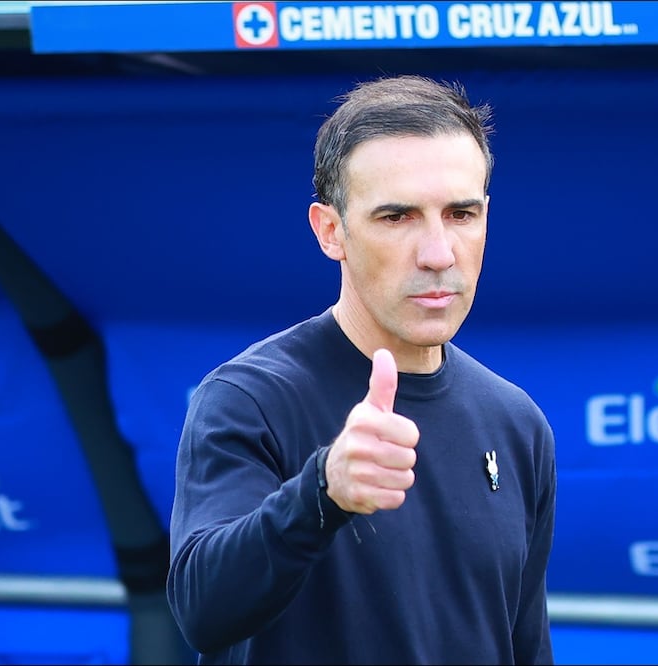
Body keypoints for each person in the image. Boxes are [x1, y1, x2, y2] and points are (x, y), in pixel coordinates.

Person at [167, 74, 557, 665]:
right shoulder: (250, 398)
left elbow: (525, 646)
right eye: (396, 217)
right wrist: (322, 493)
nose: (437, 253)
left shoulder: (516, 422)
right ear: (331, 231)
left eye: (460, 213)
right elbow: (202, 611)